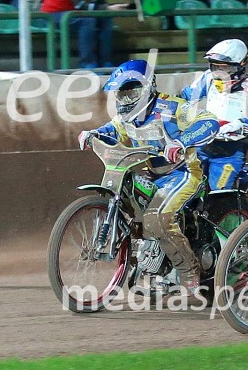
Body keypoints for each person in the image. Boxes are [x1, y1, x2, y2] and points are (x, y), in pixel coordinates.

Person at [79, 59, 220, 292]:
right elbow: (111, 130)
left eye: (131, 93)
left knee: (157, 217)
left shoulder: (173, 108)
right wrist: (92, 133)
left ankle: (189, 271)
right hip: (153, 174)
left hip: (184, 173)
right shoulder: (126, 118)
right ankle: (149, 262)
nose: (125, 100)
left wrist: (181, 141)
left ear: (147, 89)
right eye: (121, 95)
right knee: (130, 200)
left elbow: (209, 121)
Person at [180, 39, 248, 191]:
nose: (219, 73)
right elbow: (184, 97)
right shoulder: (207, 78)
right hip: (201, 145)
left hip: (229, 153)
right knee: (178, 179)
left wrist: (239, 125)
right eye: (215, 67)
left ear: (241, 65)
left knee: (219, 194)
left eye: (225, 69)